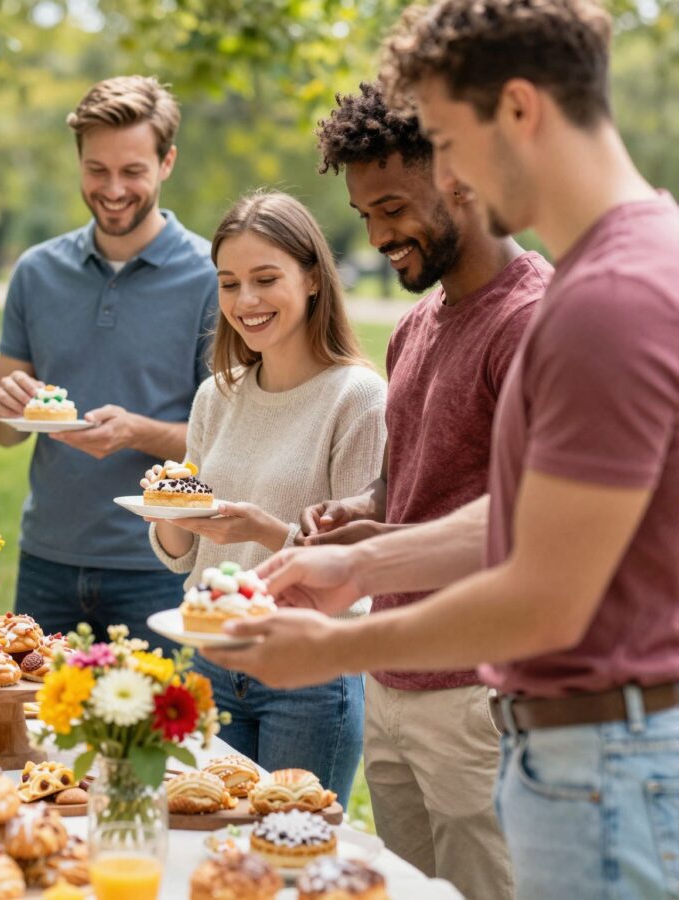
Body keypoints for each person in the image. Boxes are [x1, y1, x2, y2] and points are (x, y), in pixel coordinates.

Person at [204, 2, 679, 896]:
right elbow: (538, 516)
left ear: (518, 109)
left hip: (606, 761)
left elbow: (543, 597)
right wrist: (373, 558)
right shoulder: (626, 265)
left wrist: (329, 650)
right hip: (583, 754)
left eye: (449, 141)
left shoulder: (604, 298)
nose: (451, 176)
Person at [298, 82, 553, 898]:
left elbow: (539, 530)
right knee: (406, 888)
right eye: (363, 214)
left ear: (461, 180)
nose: (376, 236)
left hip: (479, 696)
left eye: (392, 209)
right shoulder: (418, 322)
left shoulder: (530, 323)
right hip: (394, 676)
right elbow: (407, 487)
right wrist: (361, 515)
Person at [147, 190, 384, 798]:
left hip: (307, 673)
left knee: (286, 853)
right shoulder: (215, 396)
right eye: (229, 284)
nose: (245, 302)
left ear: (311, 279)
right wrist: (171, 505)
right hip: (210, 663)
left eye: (264, 279)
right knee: (211, 848)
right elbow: (180, 552)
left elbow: (360, 572)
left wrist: (259, 530)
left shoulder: (355, 398)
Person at [0, 76, 217, 645]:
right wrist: (6, 407)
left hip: (159, 563)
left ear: (167, 163)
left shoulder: (212, 277)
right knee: (31, 731)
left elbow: (226, 439)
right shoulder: (36, 272)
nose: (113, 189)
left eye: (132, 170)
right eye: (97, 170)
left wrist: (137, 432)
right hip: (47, 561)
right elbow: (1, 431)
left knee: (145, 731)